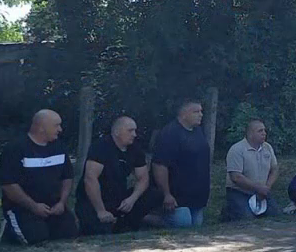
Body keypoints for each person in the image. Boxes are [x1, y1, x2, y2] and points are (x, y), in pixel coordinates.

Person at [0, 109, 78, 245]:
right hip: (24, 208)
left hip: (54, 207)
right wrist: (33, 206)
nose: (60, 129)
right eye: (56, 125)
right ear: (41, 128)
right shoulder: (15, 149)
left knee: (69, 234)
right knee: (36, 238)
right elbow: (8, 184)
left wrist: (62, 203)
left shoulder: (59, 147)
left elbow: (67, 177)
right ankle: (8, 229)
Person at [77, 116, 163, 235]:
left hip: (119, 197)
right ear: (117, 132)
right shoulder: (100, 147)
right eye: (130, 131)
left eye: (135, 131)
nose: (134, 134)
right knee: (97, 230)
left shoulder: (135, 149)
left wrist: (132, 199)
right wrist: (101, 210)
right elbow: (90, 179)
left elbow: (143, 178)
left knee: (154, 194)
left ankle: (126, 223)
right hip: (94, 199)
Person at [152, 99, 212, 228]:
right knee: (183, 224)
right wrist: (166, 194)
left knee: (195, 229)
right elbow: (159, 165)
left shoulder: (198, 132)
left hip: (197, 197)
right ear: (184, 114)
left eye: (201, 111)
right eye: (196, 111)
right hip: (177, 198)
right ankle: (145, 219)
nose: (201, 114)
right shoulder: (169, 134)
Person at [222, 120, 280, 221]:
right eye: (260, 131)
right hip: (240, 192)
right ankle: (228, 212)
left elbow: (274, 169)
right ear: (250, 134)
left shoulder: (268, 147)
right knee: (246, 219)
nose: (264, 133)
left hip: (263, 191)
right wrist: (258, 188)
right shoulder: (237, 150)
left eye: (264, 131)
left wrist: (267, 187)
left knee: (276, 216)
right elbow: (235, 177)